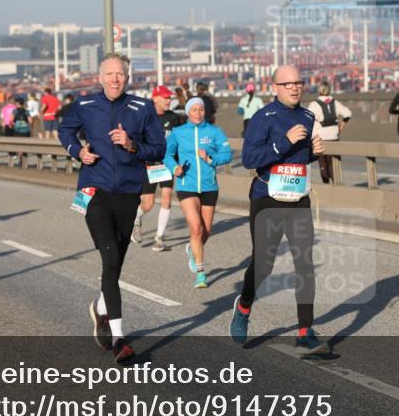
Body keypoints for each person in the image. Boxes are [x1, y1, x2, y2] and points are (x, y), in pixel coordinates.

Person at [59, 55, 166, 364]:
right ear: (100, 77)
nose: (115, 79)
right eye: (110, 74)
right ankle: (120, 338)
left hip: (129, 192)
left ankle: (101, 309)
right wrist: (78, 151)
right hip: (95, 190)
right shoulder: (85, 105)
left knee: (116, 260)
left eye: (120, 74)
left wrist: (133, 145)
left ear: (128, 78)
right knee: (109, 257)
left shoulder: (141, 108)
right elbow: (65, 132)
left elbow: (158, 148)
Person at [229, 65, 328, 355]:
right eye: (288, 84)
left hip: (298, 198)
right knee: (264, 264)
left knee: (304, 263)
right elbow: (249, 159)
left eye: (299, 82)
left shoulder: (309, 117)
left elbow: (299, 158)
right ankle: (244, 307)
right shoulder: (263, 117)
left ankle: (304, 331)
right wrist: (284, 141)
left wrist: (313, 152)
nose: (295, 88)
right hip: (267, 198)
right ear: (275, 87)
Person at [164, 97, 232, 288]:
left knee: (206, 230)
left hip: (209, 186)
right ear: (187, 112)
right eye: (193, 109)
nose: (198, 112)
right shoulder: (178, 133)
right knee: (196, 227)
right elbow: (167, 155)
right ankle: (200, 274)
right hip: (187, 185)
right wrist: (175, 168)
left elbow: (226, 154)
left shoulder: (214, 131)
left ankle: (192, 248)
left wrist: (210, 158)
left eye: (201, 109)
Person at [132, 86, 183, 252]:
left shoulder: (174, 118)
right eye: (166, 98)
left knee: (167, 198)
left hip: (168, 164)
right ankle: (137, 219)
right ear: (155, 98)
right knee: (148, 204)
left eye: (170, 98)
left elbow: (181, 138)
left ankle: (158, 239)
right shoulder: (144, 117)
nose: (169, 101)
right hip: (149, 165)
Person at [307, 82, 351, 184]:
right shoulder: (334, 102)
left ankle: (327, 186)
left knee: (323, 165)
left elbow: (307, 119)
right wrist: (341, 126)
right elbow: (347, 114)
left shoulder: (314, 104)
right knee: (334, 164)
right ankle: (337, 186)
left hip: (320, 138)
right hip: (334, 137)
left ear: (319, 90)